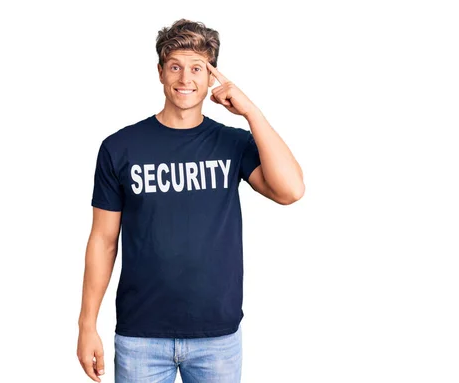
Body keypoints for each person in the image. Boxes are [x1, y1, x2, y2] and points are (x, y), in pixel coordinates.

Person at [76, 18, 304, 383]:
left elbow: (290, 190)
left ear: (212, 76)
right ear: (160, 72)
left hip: (217, 337)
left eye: (197, 68)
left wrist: (251, 111)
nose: (185, 79)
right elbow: (103, 241)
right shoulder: (119, 148)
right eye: (176, 67)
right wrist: (87, 325)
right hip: (140, 337)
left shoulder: (232, 143)